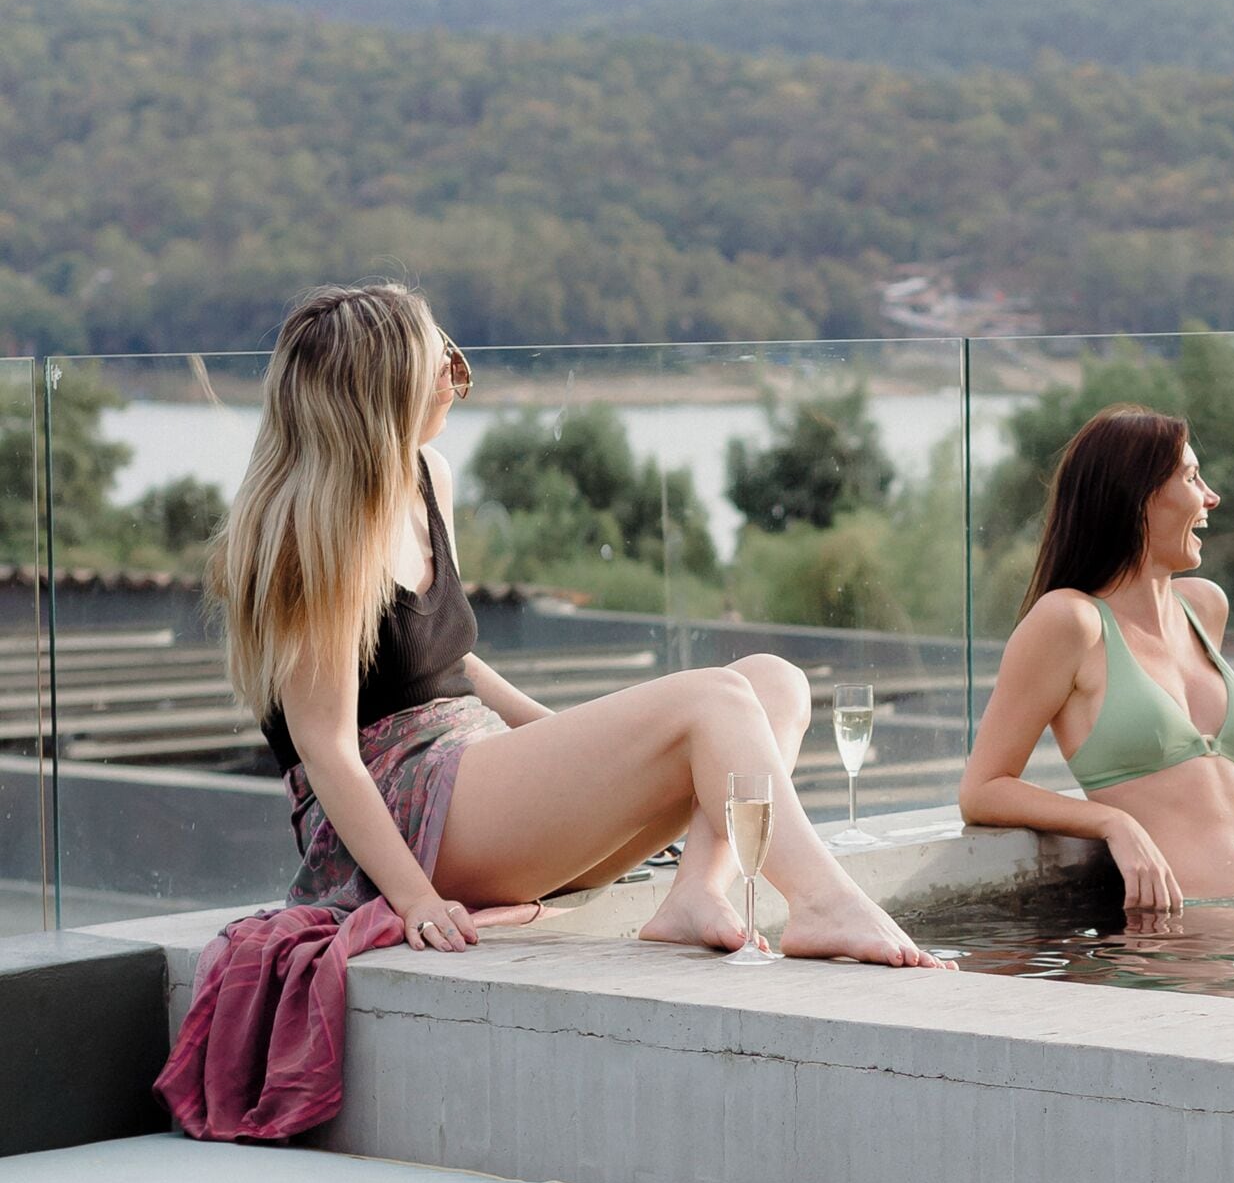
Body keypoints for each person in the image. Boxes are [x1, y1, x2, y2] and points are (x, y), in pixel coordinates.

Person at [217, 282, 934, 962]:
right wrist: (415, 899)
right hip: (401, 819)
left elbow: (450, 662)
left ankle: (698, 893)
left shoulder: (426, 475)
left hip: (478, 783)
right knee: (709, 702)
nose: (457, 385)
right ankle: (823, 902)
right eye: (444, 368)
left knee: (771, 682)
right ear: (387, 392)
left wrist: (571, 741)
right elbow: (327, 749)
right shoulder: (311, 537)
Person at [959, 405, 1234, 914]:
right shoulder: (1069, 622)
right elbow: (983, 790)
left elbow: (1188, 778)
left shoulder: (1203, 606)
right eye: (1192, 477)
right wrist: (1113, 823)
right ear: (1139, 498)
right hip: (1180, 933)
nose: (1211, 496)